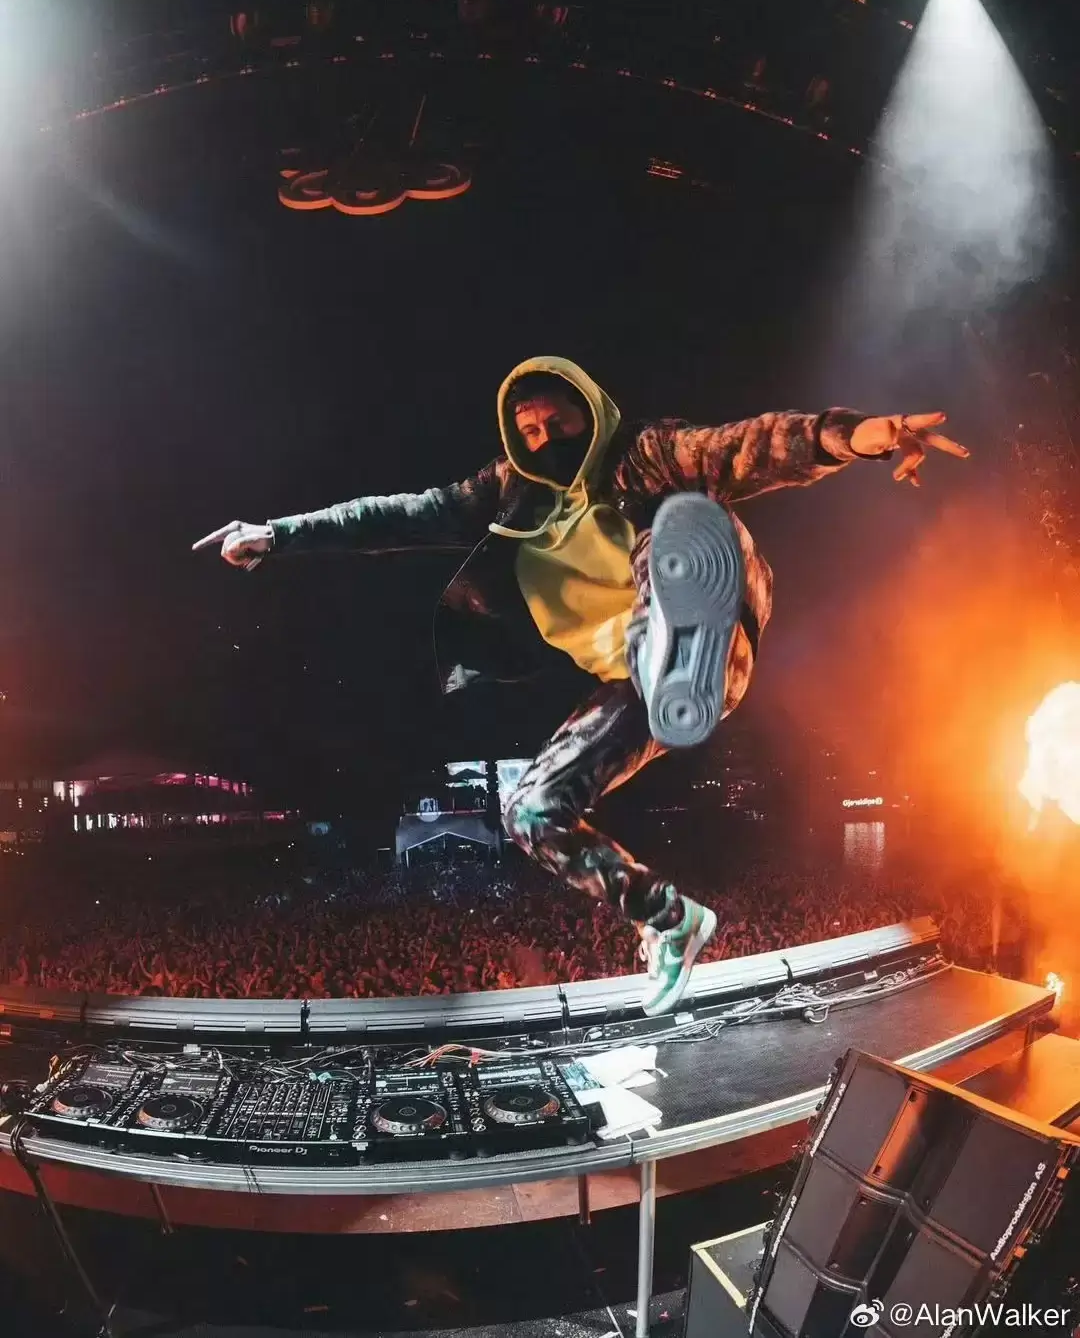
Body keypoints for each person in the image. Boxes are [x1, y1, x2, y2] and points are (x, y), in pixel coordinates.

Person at [194, 357, 967, 1015]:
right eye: (529, 432)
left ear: (590, 414)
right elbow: (396, 516)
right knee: (529, 812)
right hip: (633, 686)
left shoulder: (644, 454)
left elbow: (745, 448)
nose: (545, 440)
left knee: (674, 525)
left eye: (557, 423)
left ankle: (676, 630)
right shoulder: (507, 492)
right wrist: (281, 534)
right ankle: (671, 919)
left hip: (706, 636)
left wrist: (852, 435)